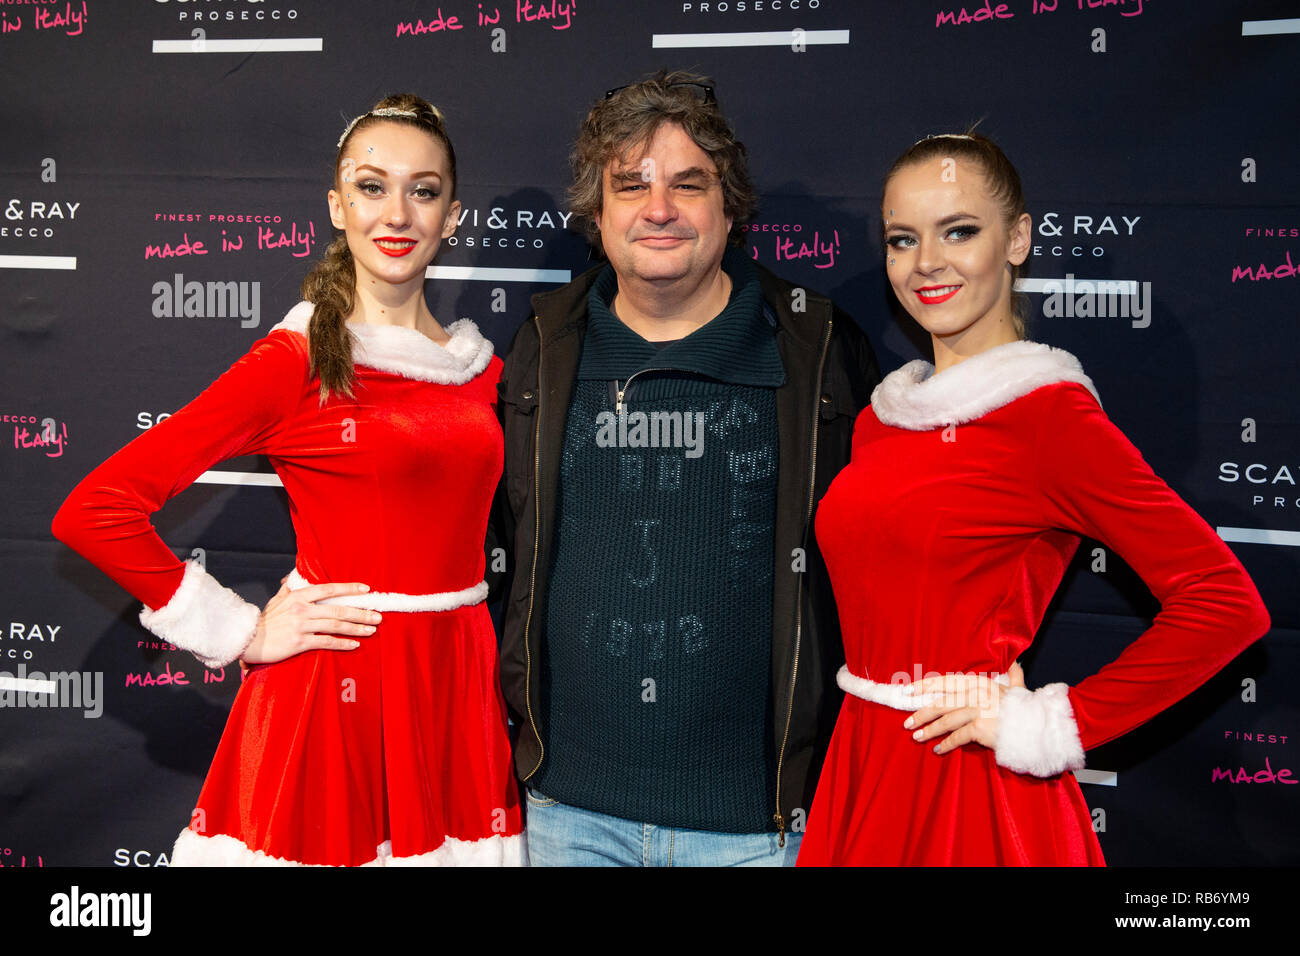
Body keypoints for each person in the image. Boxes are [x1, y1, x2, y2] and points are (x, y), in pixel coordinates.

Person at [52, 94, 523, 866]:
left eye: (424, 190)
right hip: (332, 698)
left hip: (453, 695)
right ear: (338, 207)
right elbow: (95, 511)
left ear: (452, 214)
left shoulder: (485, 372)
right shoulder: (297, 361)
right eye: (372, 187)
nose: (397, 212)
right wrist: (241, 630)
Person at [797, 132, 1271, 866]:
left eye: (959, 231)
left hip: (967, 790)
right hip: (861, 765)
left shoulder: (1049, 419)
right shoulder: (882, 420)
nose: (927, 262)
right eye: (902, 238)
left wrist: (1052, 721)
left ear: (1017, 239)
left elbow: (1224, 602)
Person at [491, 70, 881, 866]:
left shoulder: (816, 351)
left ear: (730, 207)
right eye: (629, 184)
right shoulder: (544, 345)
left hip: (758, 830)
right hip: (566, 813)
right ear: (597, 216)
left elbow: (884, 547)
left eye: (687, 183)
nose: (658, 208)